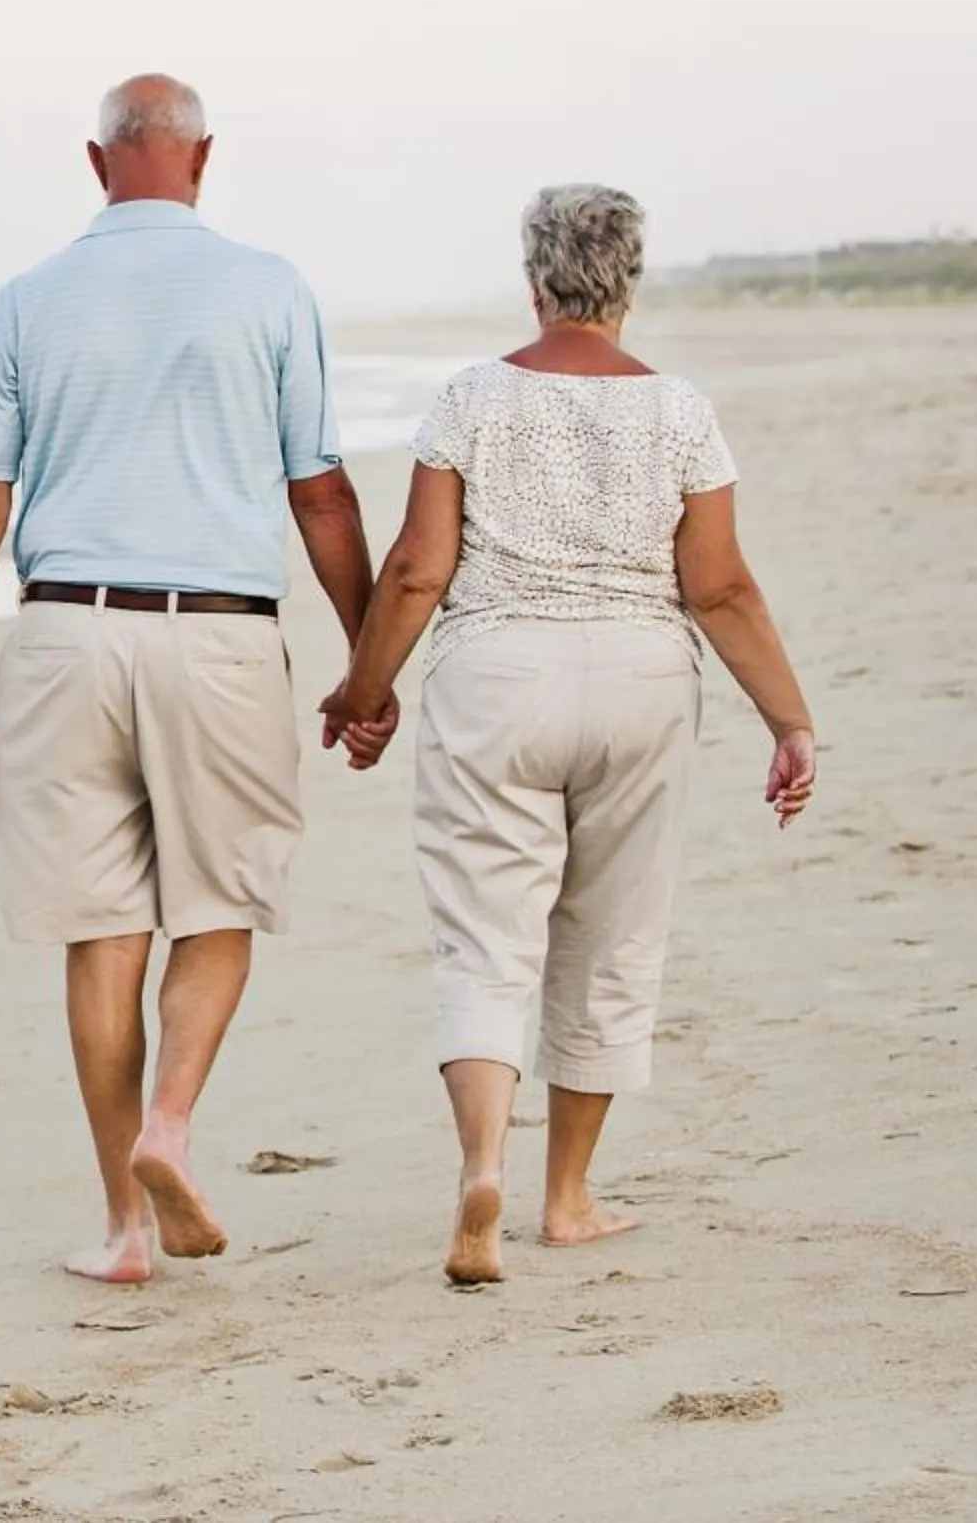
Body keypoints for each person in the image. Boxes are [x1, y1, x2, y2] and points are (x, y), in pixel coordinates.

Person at [0, 74, 384, 1285]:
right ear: (203, 158)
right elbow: (320, 490)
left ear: (95, 162)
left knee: (100, 928)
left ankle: (124, 1230)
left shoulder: (28, 299)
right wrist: (367, 659)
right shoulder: (270, 288)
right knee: (219, 903)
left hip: (65, 634)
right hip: (219, 633)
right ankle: (169, 1126)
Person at [320, 184, 817, 1286]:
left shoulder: (473, 398)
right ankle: (569, 1197)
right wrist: (788, 719)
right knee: (610, 938)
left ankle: (484, 1169)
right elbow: (722, 587)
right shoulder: (681, 411)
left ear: (534, 279)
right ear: (629, 283)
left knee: (486, 939)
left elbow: (414, 571)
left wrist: (363, 691)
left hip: (497, 677)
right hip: (641, 680)